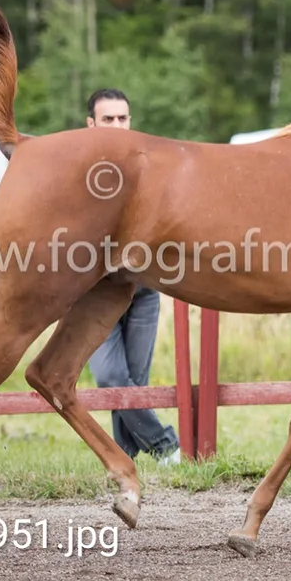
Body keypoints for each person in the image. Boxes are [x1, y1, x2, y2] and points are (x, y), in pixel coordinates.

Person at [85, 88, 180, 465]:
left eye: (123, 118)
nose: (118, 125)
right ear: (91, 125)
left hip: (143, 289)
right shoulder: (79, 174)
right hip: (95, 295)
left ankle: (124, 460)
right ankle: (165, 447)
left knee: (133, 387)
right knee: (111, 378)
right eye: (108, 119)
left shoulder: (146, 170)